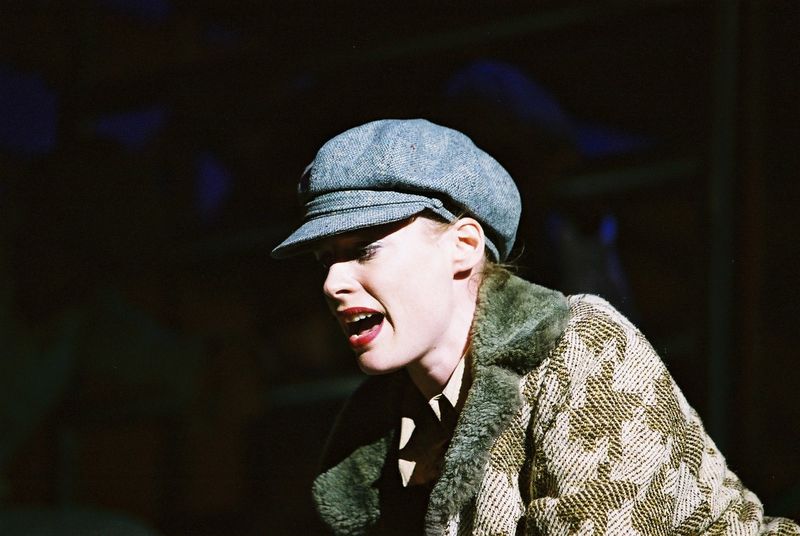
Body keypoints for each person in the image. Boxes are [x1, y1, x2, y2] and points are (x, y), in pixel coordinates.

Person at [271, 119, 799, 535]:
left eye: (364, 249)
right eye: (326, 259)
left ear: (463, 246)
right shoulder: (378, 433)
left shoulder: (579, 346)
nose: (333, 282)